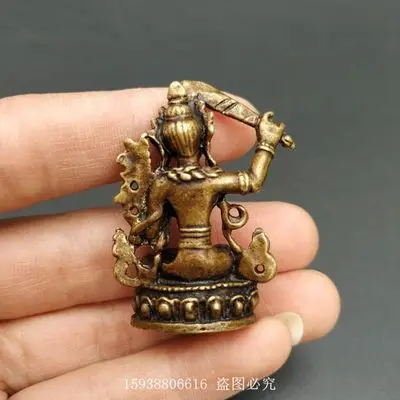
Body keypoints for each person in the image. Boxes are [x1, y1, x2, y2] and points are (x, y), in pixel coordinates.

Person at [0, 87, 340, 399]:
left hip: (174, 265)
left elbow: (148, 227)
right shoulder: (211, 178)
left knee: (166, 268)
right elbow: (252, 181)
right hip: (213, 262)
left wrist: (138, 228)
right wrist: (265, 142)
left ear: (165, 141)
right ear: (204, 137)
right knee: (228, 258)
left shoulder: (163, 182)